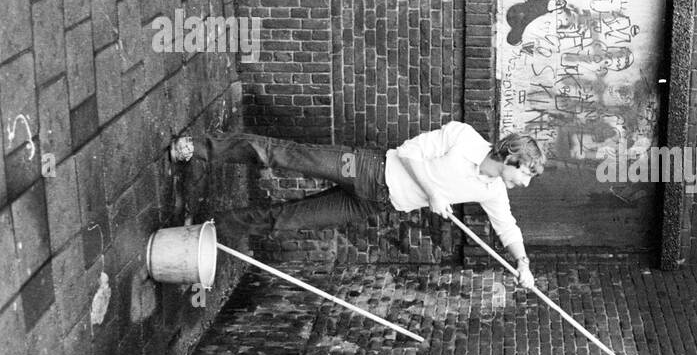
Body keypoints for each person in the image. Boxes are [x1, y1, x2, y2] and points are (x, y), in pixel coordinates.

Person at [170, 121, 542, 289]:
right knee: (282, 155)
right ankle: (199, 148)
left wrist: (522, 263)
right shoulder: (463, 138)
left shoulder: (492, 190)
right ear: (510, 156)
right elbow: (408, 152)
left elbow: (507, 226)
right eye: (525, 173)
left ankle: (207, 232)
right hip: (367, 167)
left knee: (284, 221)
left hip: (375, 203)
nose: (524, 183)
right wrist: (434, 193)